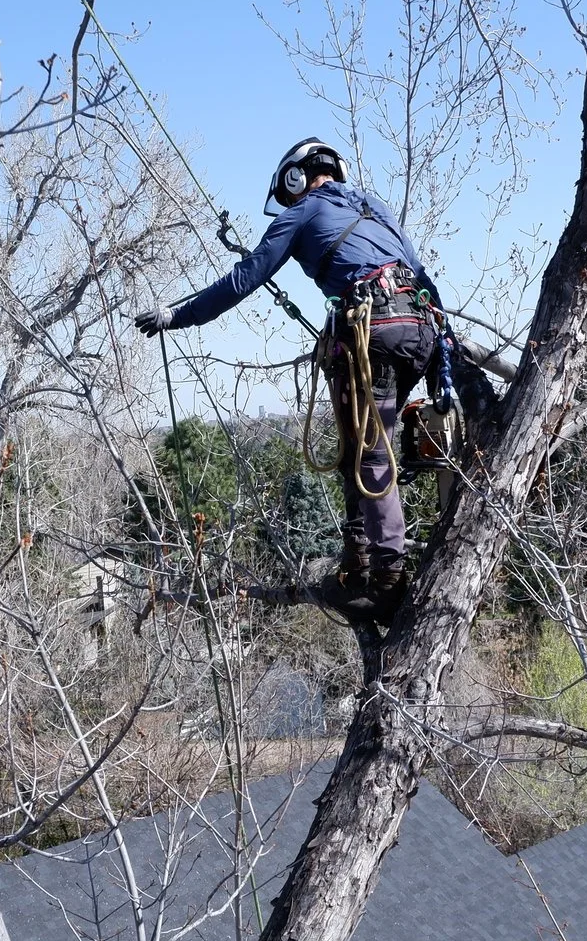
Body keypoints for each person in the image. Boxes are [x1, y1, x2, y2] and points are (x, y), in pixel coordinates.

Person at [134, 138, 444, 609]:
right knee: (358, 446)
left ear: (296, 178)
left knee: (370, 454)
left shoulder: (299, 214)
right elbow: (425, 281)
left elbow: (242, 280)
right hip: (418, 329)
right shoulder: (375, 208)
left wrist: (177, 316)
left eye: (288, 192)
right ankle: (359, 562)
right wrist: (442, 366)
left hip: (373, 331)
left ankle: (388, 580)